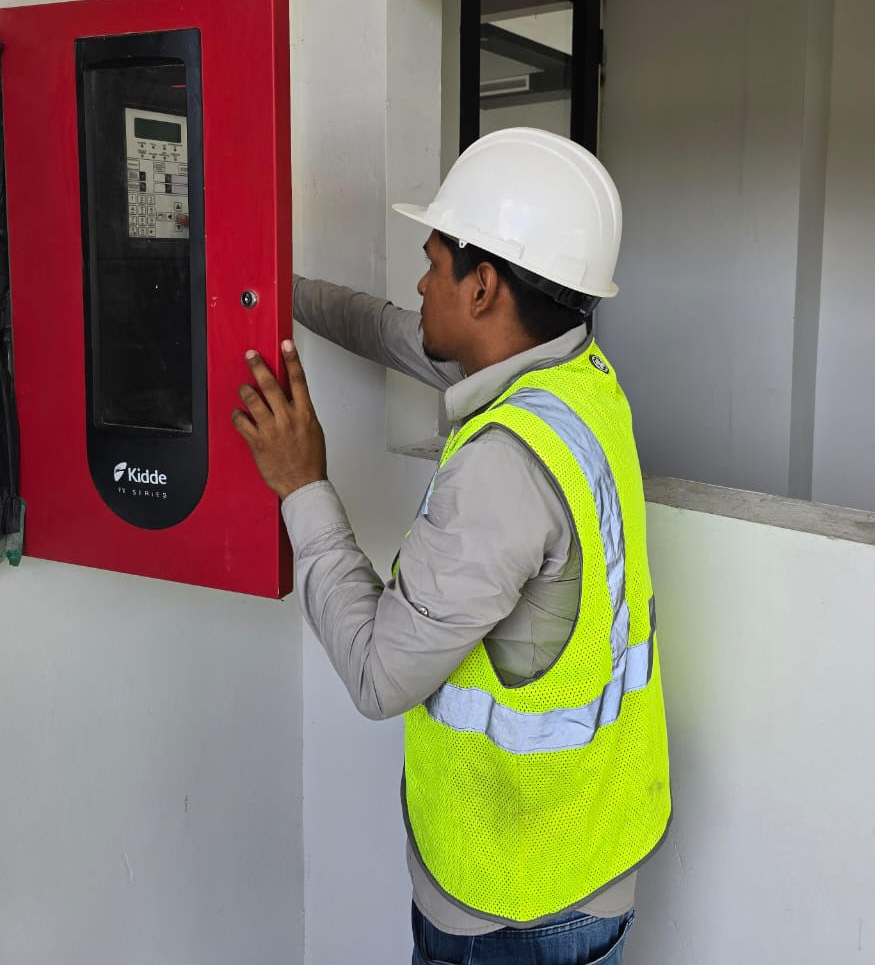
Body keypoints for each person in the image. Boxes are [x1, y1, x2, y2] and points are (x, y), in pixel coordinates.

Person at [233, 127, 671, 965]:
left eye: (433, 261)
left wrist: (301, 485)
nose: (420, 281)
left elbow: (377, 674)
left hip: (515, 903)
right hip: (594, 848)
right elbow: (390, 328)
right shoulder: (575, 378)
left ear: (483, 288)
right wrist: (267, 288)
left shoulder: (502, 471)